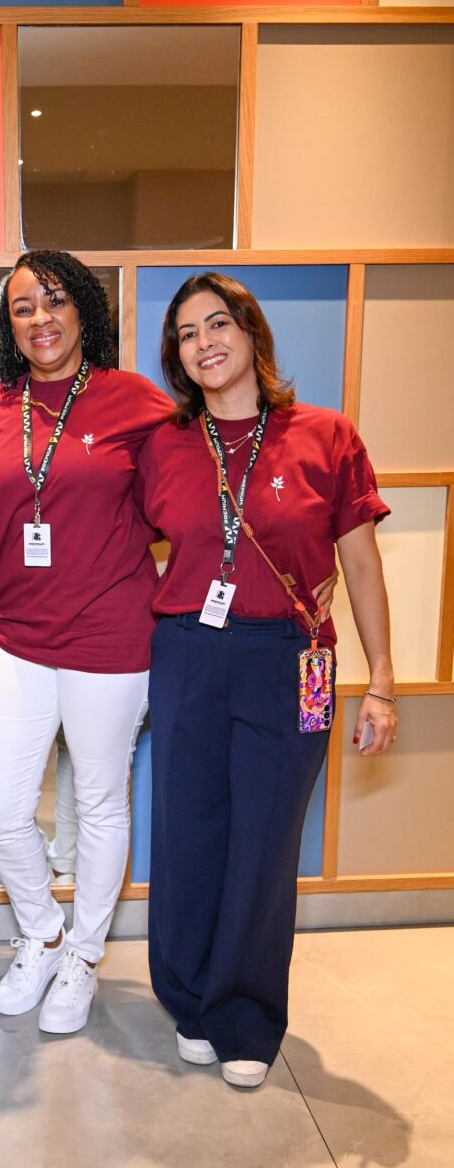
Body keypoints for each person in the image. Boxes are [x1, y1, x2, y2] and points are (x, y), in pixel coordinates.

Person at [141, 271, 397, 1089]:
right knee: (187, 832)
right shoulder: (163, 444)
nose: (204, 342)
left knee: (265, 839)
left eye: (218, 324)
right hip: (187, 651)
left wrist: (382, 680)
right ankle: (186, 997)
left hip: (299, 660)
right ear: (175, 356)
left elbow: (358, 561)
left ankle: (244, 1014)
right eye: (186, 333)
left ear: (251, 334)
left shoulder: (325, 434)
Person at [0, 249, 174, 1034]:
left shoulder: (134, 402)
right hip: (18, 634)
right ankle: (42, 932)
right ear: (8, 324)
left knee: (97, 804)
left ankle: (84, 956)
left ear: (83, 309)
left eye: (54, 301)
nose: (40, 319)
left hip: (110, 635)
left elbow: (187, 497)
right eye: (22, 307)